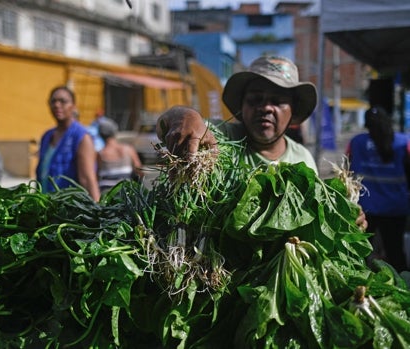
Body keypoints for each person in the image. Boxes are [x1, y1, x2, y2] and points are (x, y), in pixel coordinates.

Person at [156, 55, 368, 230]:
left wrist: (343, 220)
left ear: (293, 111)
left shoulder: (302, 159)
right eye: (256, 99)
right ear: (242, 106)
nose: (266, 108)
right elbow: (169, 126)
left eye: (277, 101)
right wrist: (184, 115)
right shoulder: (220, 139)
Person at [346, 106, 410, 272]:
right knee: (395, 253)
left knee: (360, 252)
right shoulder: (404, 142)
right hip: (396, 208)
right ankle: (402, 287)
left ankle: (359, 285)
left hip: (365, 208)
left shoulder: (357, 142)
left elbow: (346, 170)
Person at [36, 85, 100, 201]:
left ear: (73, 106)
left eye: (63, 101)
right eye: (53, 101)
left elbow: (88, 179)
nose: (57, 105)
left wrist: (98, 211)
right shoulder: (47, 136)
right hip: (46, 206)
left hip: (69, 209)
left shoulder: (81, 136)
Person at [96, 117, 144, 193]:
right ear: (115, 132)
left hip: (106, 194)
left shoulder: (100, 154)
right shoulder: (128, 149)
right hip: (126, 192)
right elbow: (139, 170)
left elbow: (97, 176)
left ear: (101, 135)